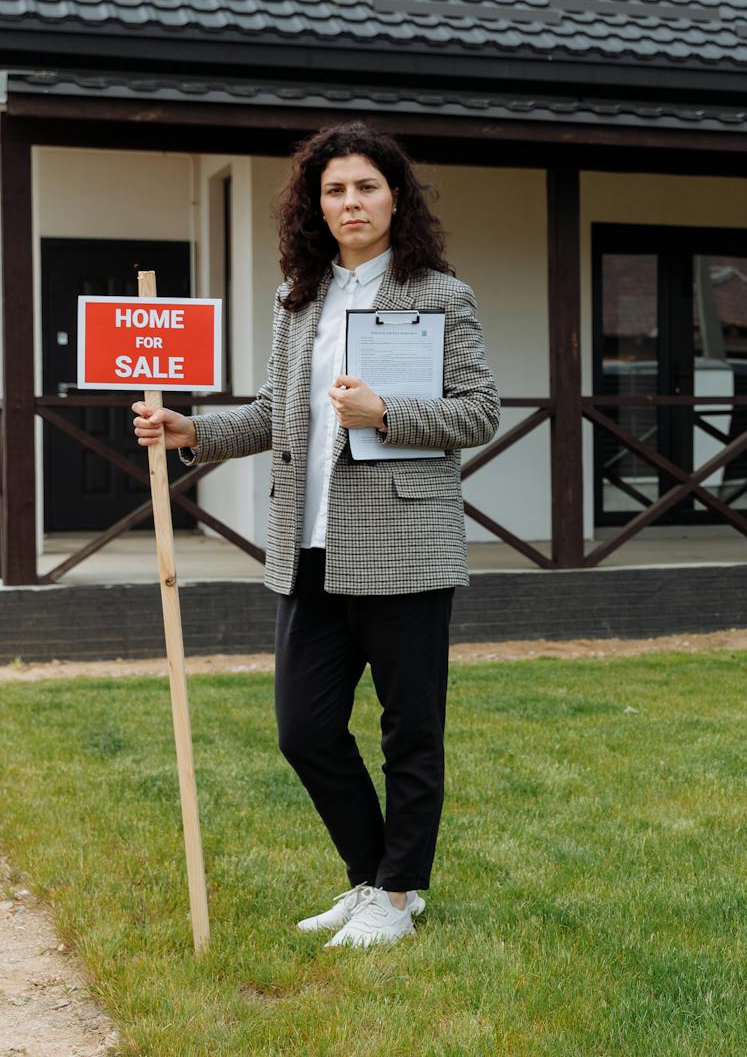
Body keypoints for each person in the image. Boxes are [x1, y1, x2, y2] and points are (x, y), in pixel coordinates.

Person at [132, 121, 498, 948]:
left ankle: (397, 895)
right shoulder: (298, 297)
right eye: (334, 189)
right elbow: (274, 412)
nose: (351, 202)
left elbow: (478, 411)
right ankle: (376, 877)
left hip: (406, 544)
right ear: (316, 204)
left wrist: (386, 412)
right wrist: (193, 429)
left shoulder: (441, 293)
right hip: (309, 542)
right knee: (303, 729)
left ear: (395, 196)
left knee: (411, 730)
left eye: (366, 186)